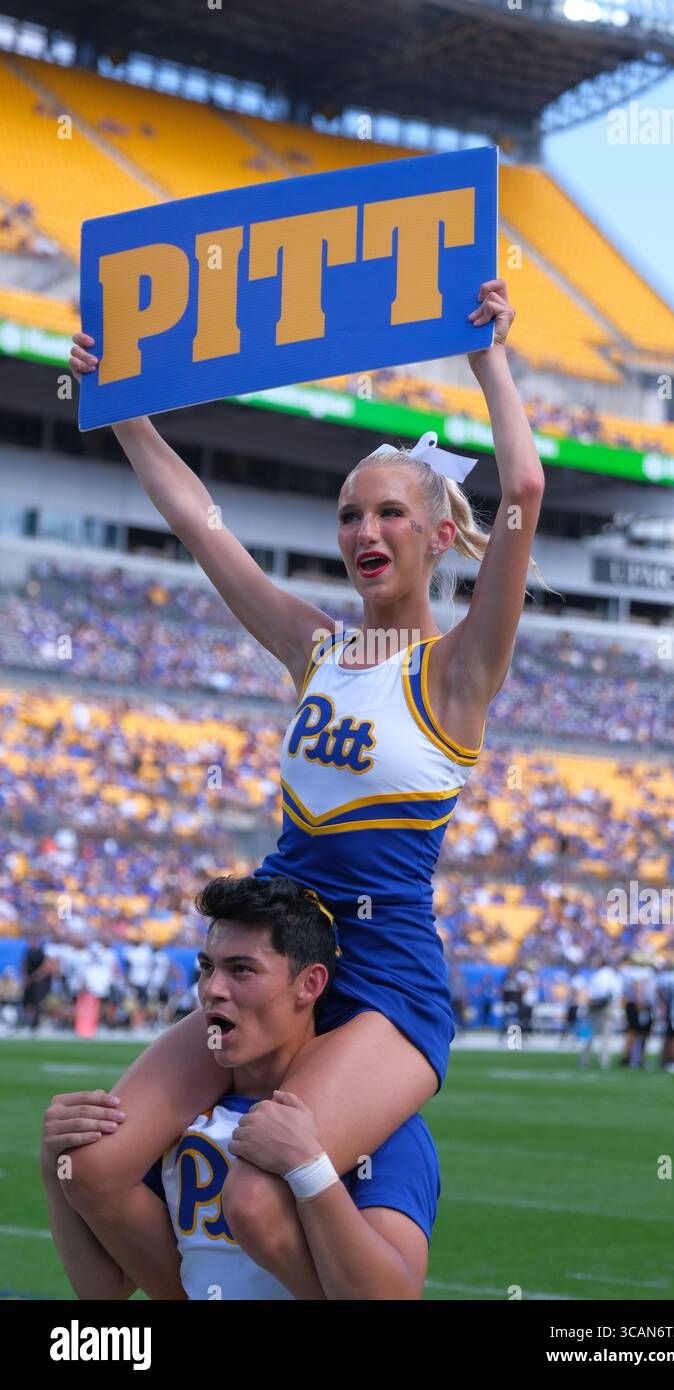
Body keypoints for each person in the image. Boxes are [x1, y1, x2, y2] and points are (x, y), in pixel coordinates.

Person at [65, 278, 544, 1288]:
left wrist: (487, 360)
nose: (363, 530)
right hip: (272, 960)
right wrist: (123, 413)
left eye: (387, 513)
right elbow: (202, 526)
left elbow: (525, 493)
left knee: (253, 1190)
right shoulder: (316, 648)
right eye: (346, 515)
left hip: (384, 982)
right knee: (94, 1163)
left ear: (437, 535)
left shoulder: (456, 671)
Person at [42, 875, 439, 1299]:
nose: (212, 990)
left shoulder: (381, 1127)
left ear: (310, 984)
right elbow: (103, 1289)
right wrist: (55, 1166)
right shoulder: (179, 1120)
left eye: (242, 970)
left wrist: (311, 1171)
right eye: (207, 968)